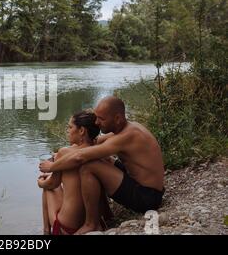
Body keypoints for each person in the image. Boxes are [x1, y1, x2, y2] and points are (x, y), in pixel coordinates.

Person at [39, 96, 165, 234]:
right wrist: (60, 155)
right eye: (96, 118)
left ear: (117, 118)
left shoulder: (127, 136)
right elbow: (96, 142)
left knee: (89, 166)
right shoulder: (127, 128)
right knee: (105, 159)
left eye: (101, 119)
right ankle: (105, 214)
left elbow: (80, 156)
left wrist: (52, 166)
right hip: (144, 186)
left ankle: (91, 224)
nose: (97, 123)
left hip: (147, 197)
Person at [38, 110, 112, 235]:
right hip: (95, 220)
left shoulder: (64, 153)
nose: (68, 131)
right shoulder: (99, 152)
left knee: (47, 184)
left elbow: (53, 183)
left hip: (68, 227)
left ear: (82, 131)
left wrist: (40, 183)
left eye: (70, 127)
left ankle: (46, 231)